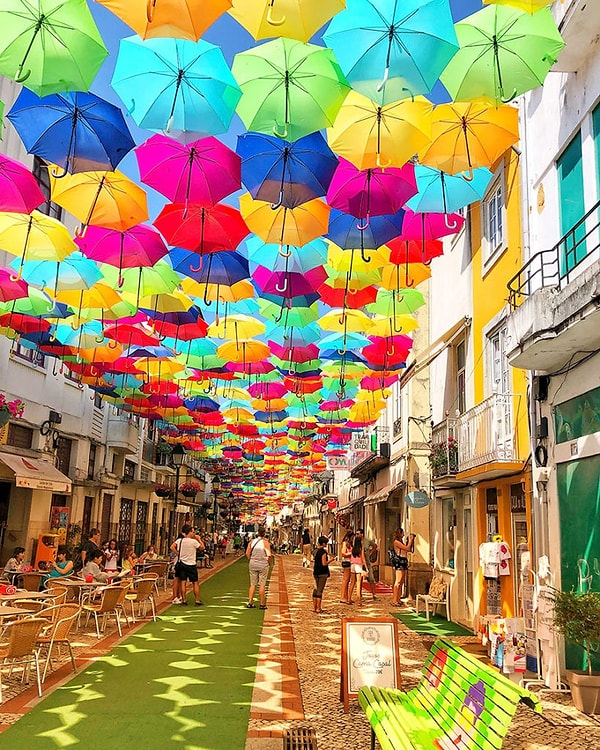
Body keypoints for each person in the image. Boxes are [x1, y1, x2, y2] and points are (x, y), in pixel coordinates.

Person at [171, 525, 205, 606]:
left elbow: (172, 547)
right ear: (189, 532)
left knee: (183, 582)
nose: (194, 533)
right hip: (191, 564)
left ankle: (184, 600)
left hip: (182, 564)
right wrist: (199, 539)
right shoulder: (193, 542)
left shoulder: (180, 540)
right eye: (193, 532)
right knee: (195, 583)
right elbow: (202, 547)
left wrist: (178, 554)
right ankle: (197, 600)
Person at [246, 527, 271, 610]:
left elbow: (247, 553)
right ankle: (262, 604)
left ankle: (250, 602)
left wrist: (251, 559)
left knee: (253, 584)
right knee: (262, 584)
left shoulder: (252, 542)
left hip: (253, 564)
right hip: (263, 564)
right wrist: (268, 562)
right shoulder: (265, 543)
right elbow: (269, 555)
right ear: (264, 534)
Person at [391, 527, 416, 606]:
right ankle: (395, 600)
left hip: (403, 560)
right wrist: (411, 540)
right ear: (400, 533)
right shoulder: (396, 542)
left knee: (401, 581)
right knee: (398, 581)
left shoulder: (400, 541)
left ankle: (398, 599)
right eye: (402, 533)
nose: (404, 534)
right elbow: (407, 548)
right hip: (400, 561)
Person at [312, 536, 330, 614]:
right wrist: (331, 560)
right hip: (322, 572)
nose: (326, 544)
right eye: (326, 543)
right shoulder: (323, 552)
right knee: (320, 590)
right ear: (323, 543)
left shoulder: (316, 551)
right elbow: (324, 563)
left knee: (316, 589)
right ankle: (318, 608)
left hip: (316, 572)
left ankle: (314, 607)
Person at [348, 531, 367, 606]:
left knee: (352, 582)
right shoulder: (360, 548)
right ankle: (359, 600)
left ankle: (349, 598)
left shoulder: (353, 549)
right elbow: (363, 558)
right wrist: (366, 567)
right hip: (358, 565)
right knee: (358, 583)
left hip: (352, 565)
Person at [339, 531, 354, 604]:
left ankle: (346, 597)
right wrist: (351, 553)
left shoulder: (350, 544)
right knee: (345, 580)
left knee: (347, 580)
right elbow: (343, 553)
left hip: (350, 562)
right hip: (347, 562)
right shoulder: (345, 543)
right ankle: (342, 597)